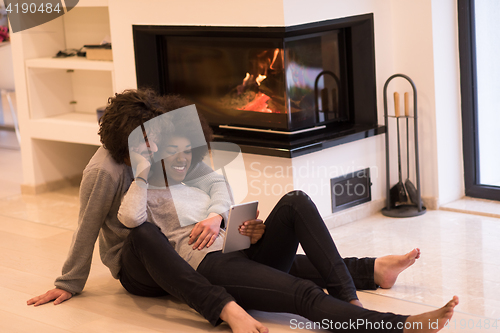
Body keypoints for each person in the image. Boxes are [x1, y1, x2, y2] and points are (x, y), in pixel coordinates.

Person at [26, 89, 450, 333]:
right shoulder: (109, 170)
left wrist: (227, 221)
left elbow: (215, 188)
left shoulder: (176, 157)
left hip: (212, 250)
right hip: (145, 260)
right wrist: (70, 281)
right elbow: (103, 224)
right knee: (294, 292)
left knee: (293, 215)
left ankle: (363, 280)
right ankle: (388, 324)